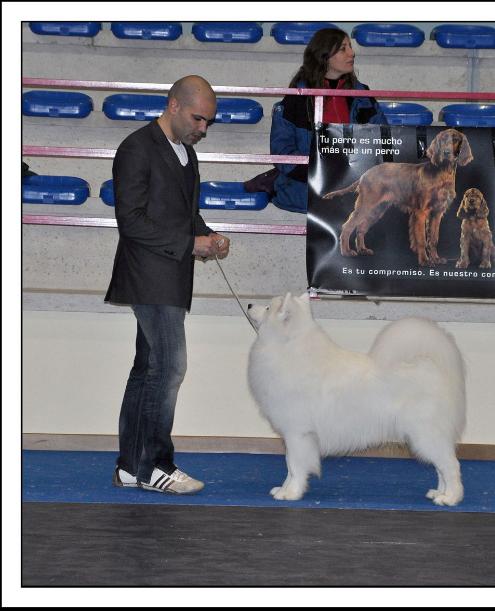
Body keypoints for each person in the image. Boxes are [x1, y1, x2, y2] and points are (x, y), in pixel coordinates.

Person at [105, 75, 230, 495]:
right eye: (199, 118)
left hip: (172, 275)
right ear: (173, 105)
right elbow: (131, 222)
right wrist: (188, 242)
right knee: (170, 368)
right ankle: (155, 466)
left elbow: (185, 214)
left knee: (147, 371)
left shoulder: (186, 153)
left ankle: (129, 466)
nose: (203, 128)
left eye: (208, 122)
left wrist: (208, 235)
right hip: (147, 276)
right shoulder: (136, 148)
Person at [246, 28, 387, 213]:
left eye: (350, 47)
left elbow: (383, 140)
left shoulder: (363, 96)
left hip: (354, 196)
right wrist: (319, 174)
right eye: (343, 48)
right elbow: (282, 153)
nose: (352, 53)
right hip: (305, 196)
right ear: (324, 55)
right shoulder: (295, 99)